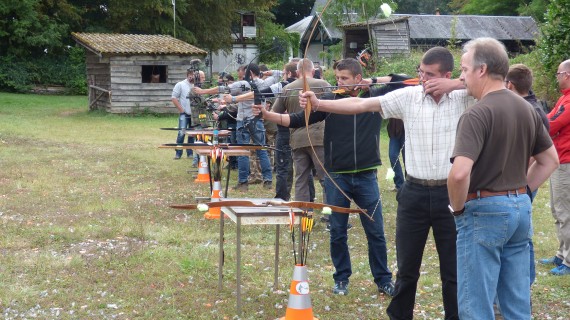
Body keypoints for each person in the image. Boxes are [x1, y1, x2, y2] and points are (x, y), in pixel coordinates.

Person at [299, 47, 472, 320]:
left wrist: (456, 84)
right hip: (413, 191)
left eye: (430, 75)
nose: (423, 79)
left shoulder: (465, 97)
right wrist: (319, 104)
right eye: (420, 73)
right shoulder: (410, 96)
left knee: (452, 269)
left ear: (447, 75)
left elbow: (500, 80)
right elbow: (360, 104)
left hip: (449, 193)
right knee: (407, 268)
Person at [255, 58, 396, 299]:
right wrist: (269, 114)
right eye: (337, 78)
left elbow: (400, 81)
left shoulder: (375, 99)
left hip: (366, 175)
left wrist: (370, 82)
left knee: (375, 231)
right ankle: (341, 278)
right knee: (338, 231)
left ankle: (383, 279)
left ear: (358, 79)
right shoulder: (329, 102)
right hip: (336, 176)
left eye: (344, 79)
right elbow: (296, 120)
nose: (338, 83)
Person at [448, 37, 558, 319]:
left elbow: (459, 173)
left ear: (481, 70)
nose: (462, 76)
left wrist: (458, 209)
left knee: (476, 305)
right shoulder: (527, 109)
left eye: (464, 69)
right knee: (516, 304)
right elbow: (550, 161)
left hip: (483, 211)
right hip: (520, 211)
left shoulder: (476, 114)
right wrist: (521, 192)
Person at [193, 63, 273, 191]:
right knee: (261, 150)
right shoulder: (265, 83)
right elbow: (278, 73)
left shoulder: (244, 84)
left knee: (242, 152)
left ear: (250, 73)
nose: (241, 75)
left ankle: (243, 183)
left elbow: (221, 89)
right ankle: (268, 180)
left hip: (243, 121)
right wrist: (267, 73)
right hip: (257, 120)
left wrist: (203, 91)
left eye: (244, 72)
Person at [271, 59, 329, 203]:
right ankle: (332, 217)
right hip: (319, 138)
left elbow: (275, 113)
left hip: (297, 139)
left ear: (297, 72)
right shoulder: (324, 85)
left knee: (301, 179)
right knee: (326, 178)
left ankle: (303, 215)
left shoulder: (288, 88)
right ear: (314, 71)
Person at [541, 59, 570, 276]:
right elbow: (547, 120)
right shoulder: (563, 99)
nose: (557, 77)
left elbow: (550, 125)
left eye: (559, 73)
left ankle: (568, 261)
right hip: (559, 161)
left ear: (567, 75)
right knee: (556, 209)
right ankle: (561, 253)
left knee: (565, 211)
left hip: (566, 163)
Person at [171, 67, 200, 160]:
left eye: (194, 76)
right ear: (188, 76)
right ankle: (178, 153)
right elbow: (174, 98)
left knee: (192, 134)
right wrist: (181, 110)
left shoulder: (197, 86)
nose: (193, 78)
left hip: (194, 114)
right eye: (191, 76)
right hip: (184, 113)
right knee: (181, 133)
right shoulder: (180, 84)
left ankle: (190, 152)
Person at [387, 118, 405, 191]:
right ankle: (399, 185)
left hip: (406, 131)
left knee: (407, 159)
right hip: (394, 131)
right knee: (393, 156)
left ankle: (409, 185)